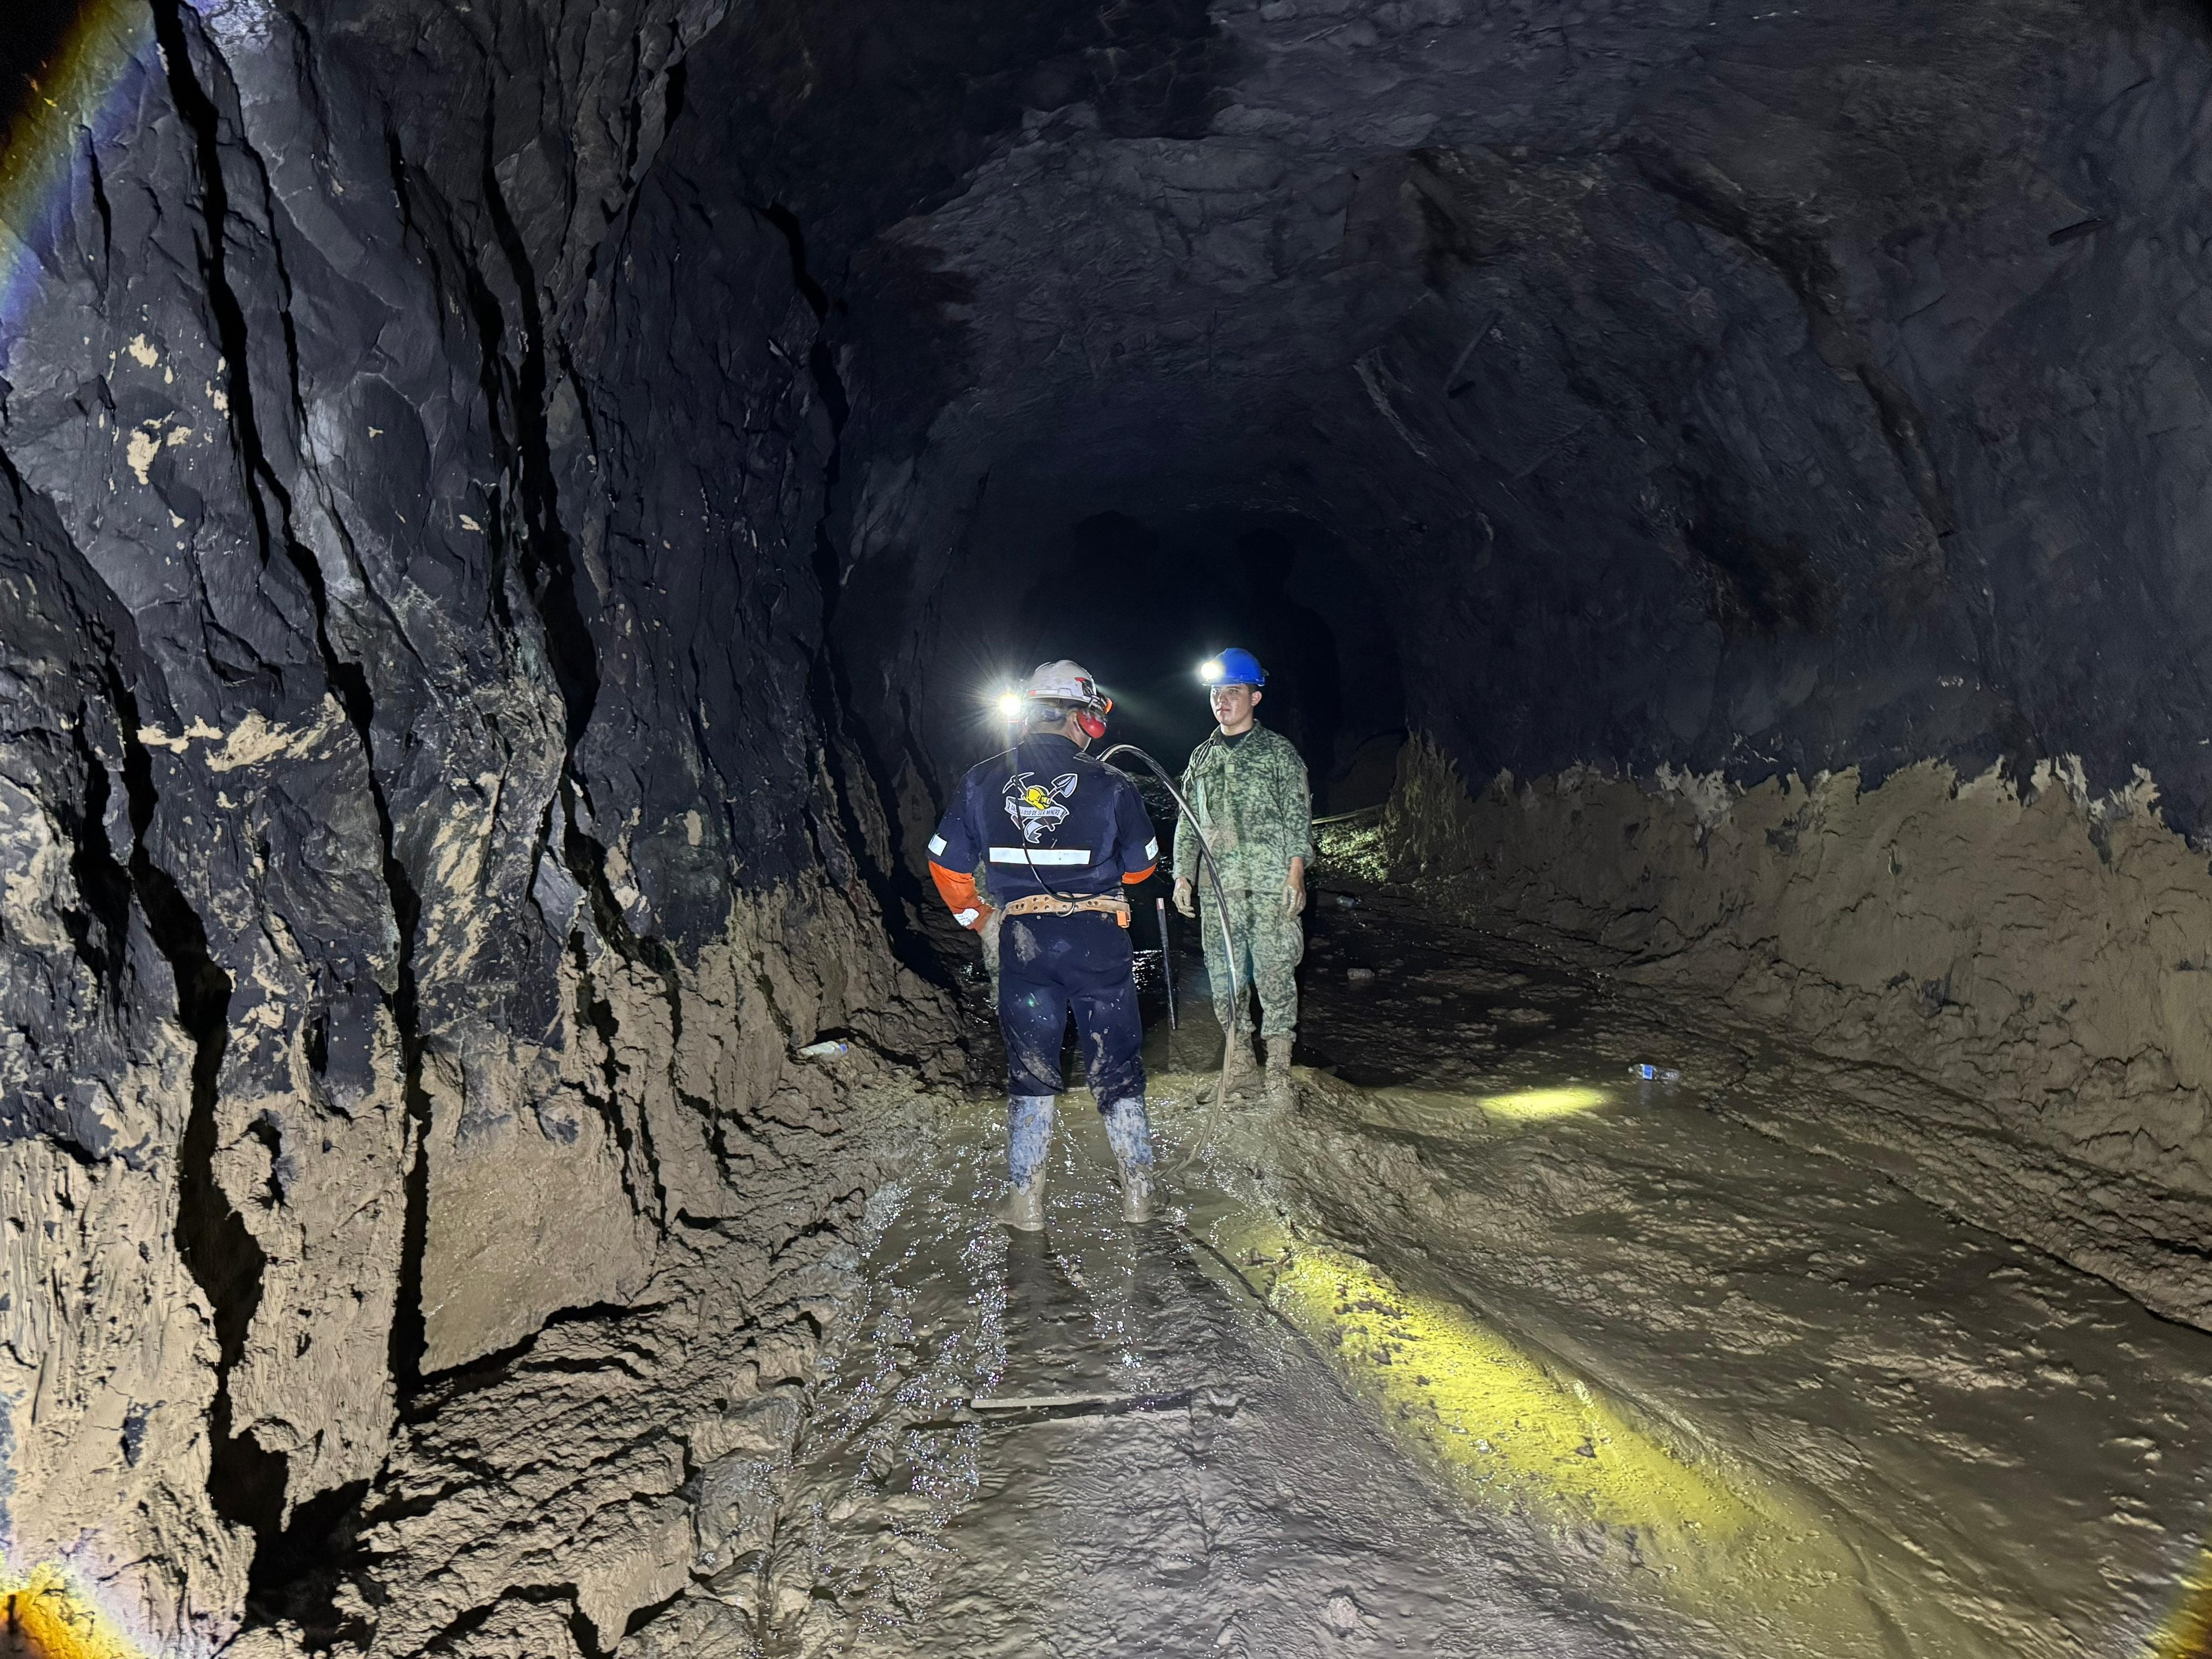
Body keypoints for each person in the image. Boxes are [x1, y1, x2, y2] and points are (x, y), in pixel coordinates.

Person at [928, 660, 1163, 1229]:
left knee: (1031, 1070)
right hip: (1099, 941)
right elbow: (1142, 867)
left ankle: (1027, 1205)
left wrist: (978, 917)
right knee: (1118, 1066)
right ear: (1084, 718)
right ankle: (1138, 1198)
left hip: (1025, 943)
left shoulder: (981, 780)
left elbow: (945, 861)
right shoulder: (1113, 784)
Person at [1172, 647, 1313, 1109]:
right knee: (1225, 978)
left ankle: (1277, 1073)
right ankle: (1238, 1068)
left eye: (1233, 691)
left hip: (1272, 887)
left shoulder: (1278, 753)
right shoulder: (1202, 757)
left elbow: (1298, 815)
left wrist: (1297, 872)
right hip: (1220, 891)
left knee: (1275, 976)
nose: (1222, 700)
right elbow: (1187, 823)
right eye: (1217, 692)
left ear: (1255, 697)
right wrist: (1183, 876)